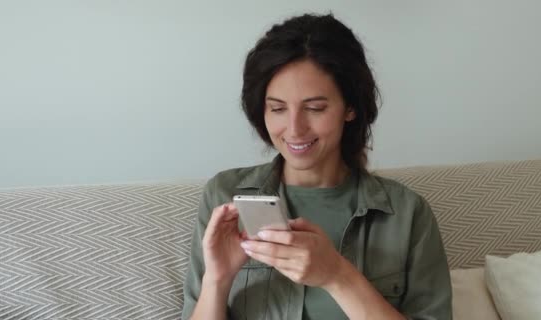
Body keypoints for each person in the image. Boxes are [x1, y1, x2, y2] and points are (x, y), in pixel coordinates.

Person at [182, 13, 452, 320]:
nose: (295, 129)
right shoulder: (224, 196)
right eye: (278, 108)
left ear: (350, 107)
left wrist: (337, 275)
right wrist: (217, 280)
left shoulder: (406, 214)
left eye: (314, 108)